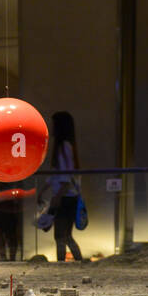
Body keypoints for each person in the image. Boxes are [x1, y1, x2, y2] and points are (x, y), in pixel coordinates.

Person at [44, 111, 84, 262]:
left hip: (65, 197)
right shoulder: (66, 146)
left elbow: (65, 178)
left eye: (53, 124)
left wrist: (56, 197)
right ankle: (77, 263)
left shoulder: (64, 147)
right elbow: (59, 175)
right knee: (64, 236)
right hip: (67, 197)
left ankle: (65, 264)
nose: (51, 127)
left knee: (62, 236)